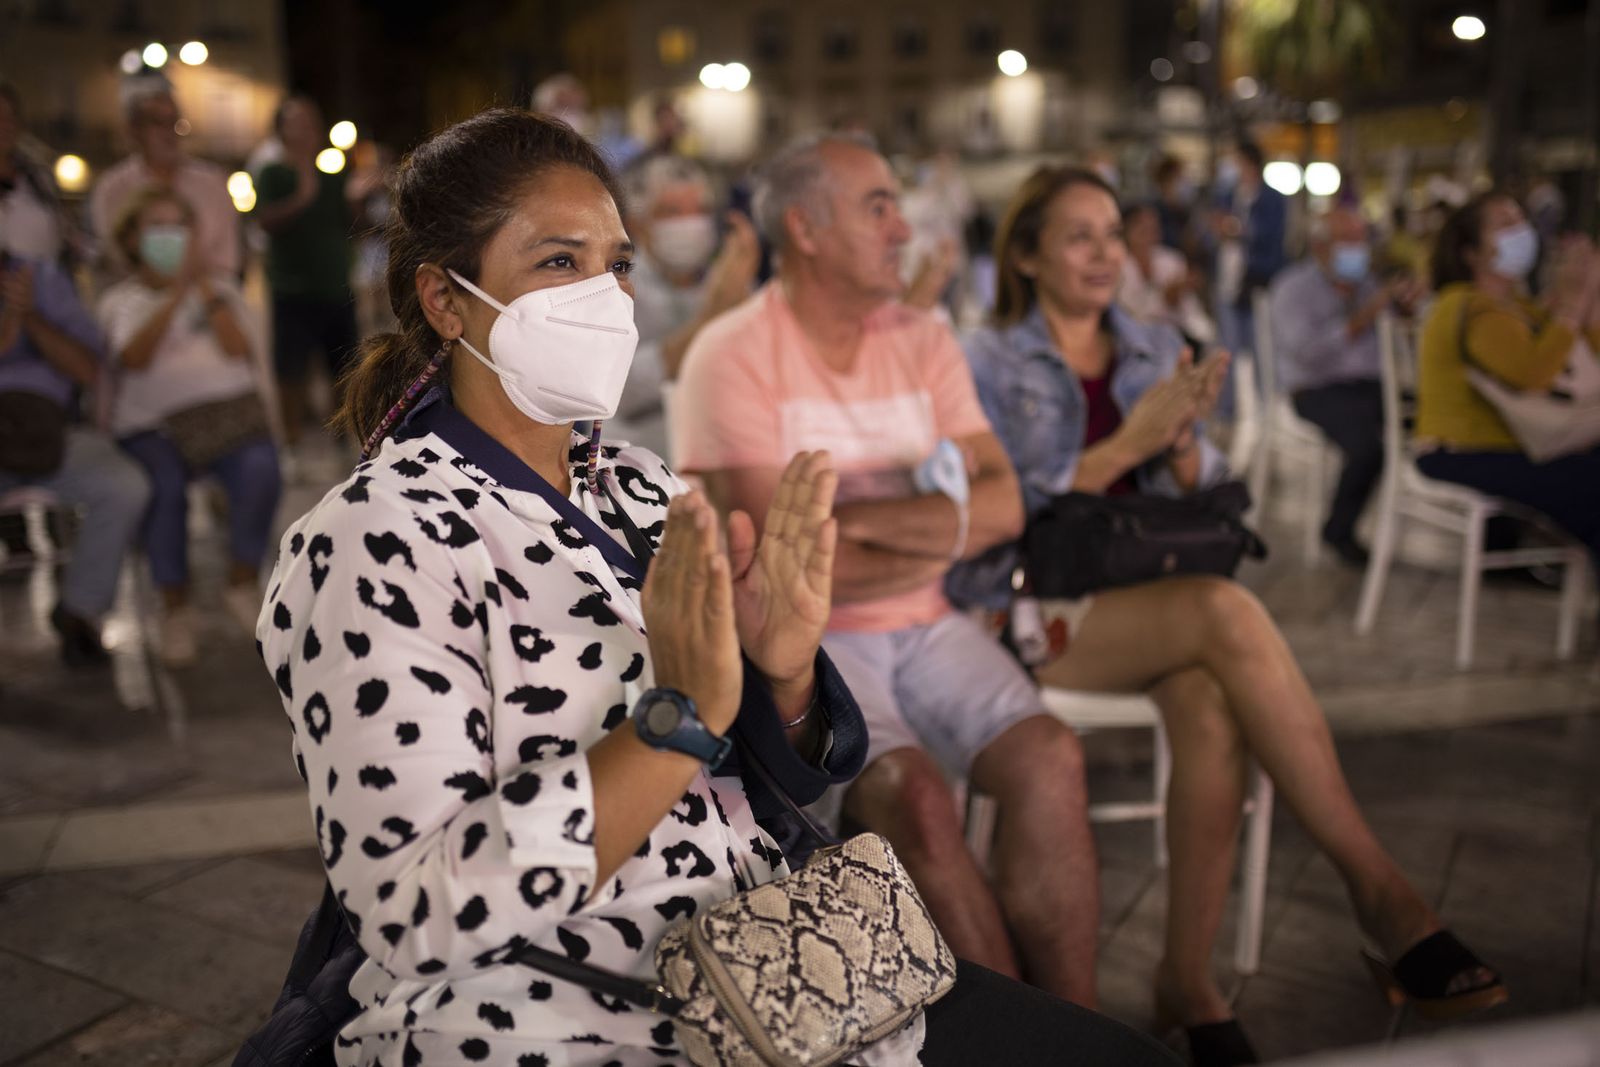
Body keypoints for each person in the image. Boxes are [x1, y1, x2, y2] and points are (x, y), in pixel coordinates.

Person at [255, 107, 1177, 1067]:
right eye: (559, 262)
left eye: (617, 263)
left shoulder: (640, 487)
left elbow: (771, 781)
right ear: (447, 300)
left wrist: (781, 674)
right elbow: (417, 910)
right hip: (557, 1009)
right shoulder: (373, 541)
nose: (606, 295)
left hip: (777, 958)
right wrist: (673, 721)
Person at [947, 165, 1507, 1066]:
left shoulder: (1151, 340)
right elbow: (994, 504)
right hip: (1028, 605)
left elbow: (1206, 491)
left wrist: (1177, 450)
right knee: (1224, 610)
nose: (1105, 253)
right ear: (1025, 253)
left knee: (1209, 695)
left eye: (1112, 232)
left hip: (1149, 594)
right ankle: (1379, 891)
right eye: (1078, 235)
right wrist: (1127, 442)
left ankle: (1188, 980)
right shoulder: (983, 356)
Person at [673, 132, 1103, 1009]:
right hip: (812, 648)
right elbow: (791, 568)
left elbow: (1006, 506)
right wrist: (951, 521)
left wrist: (865, 529)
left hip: (931, 621)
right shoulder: (735, 350)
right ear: (806, 227)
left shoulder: (922, 337)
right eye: (879, 206)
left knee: (1052, 756)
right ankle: (1026, 1040)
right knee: (913, 794)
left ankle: (1083, 1025)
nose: (904, 227)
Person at [98, 187, 280, 666]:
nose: (168, 236)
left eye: (178, 225)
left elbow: (239, 348)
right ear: (133, 238)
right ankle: (174, 606)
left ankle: (241, 581)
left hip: (223, 422)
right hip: (151, 427)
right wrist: (174, 293)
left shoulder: (218, 289)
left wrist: (202, 289)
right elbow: (134, 358)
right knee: (164, 488)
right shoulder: (122, 300)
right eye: (156, 226)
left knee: (263, 467)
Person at [1415, 191, 1600, 581]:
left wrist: (1586, 300)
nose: (1522, 231)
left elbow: (1587, 356)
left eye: (1521, 219)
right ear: (1471, 252)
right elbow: (1532, 373)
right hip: (1461, 450)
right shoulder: (1468, 305)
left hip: (1508, 445)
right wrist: (1572, 304)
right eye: (1505, 224)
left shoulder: (1516, 305)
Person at [0, 253, 149, 665]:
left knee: (124, 485)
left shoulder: (39, 278)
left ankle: (80, 610)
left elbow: (88, 370)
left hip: (49, 432)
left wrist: (28, 316)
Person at [1269, 207, 1421, 565]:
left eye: (1361, 239)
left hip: (1373, 388)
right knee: (1368, 446)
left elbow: (1402, 344)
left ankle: (1497, 536)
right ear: (1321, 245)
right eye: (1348, 240)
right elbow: (1305, 354)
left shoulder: (1368, 284)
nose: (1358, 248)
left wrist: (1407, 312)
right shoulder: (1293, 288)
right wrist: (1361, 318)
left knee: (1444, 419)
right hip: (1317, 391)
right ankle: (1339, 530)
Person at [614, 153, 760, 457]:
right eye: (671, 212)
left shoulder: (731, 281)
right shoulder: (616, 286)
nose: (688, 223)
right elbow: (620, 389)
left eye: (700, 211)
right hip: (639, 469)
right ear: (636, 225)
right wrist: (711, 319)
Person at [254, 95, 368, 445]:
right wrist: (301, 197)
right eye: (296, 123)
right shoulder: (272, 173)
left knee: (344, 369)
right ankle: (291, 444)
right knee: (291, 372)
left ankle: (341, 439)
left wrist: (358, 198)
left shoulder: (333, 174)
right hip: (292, 290)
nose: (305, 130)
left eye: (311, 122)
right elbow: (264, 221)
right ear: (281, 131)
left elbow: (354, 226)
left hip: (336, 287)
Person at [89, 80, 239, 280]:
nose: (169, 133)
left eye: (174, 123)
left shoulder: (212, 183)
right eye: (157, 123)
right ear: (134, 130)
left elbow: (227, 257)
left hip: (207, 294)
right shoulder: (112, 189)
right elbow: (114, 257)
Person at [1209, 140, 1287, 374]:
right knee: (1227, 347)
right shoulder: (1227, 195)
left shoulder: (1272, 199)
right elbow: (1213, 228)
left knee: (1261, 343)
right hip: (1227, 279)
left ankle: (1267, 401)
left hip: (1257, 278)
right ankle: (1230, 404)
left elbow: (1270, 236)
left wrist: (1239, 230)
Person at [0, 84, 85, 265]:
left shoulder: (39, 180)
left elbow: (65, 235)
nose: (4, 125)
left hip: (42, 285)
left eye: (10, 117)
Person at [1119, 201, 1215, 348]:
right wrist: (1166, 296)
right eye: (1142, 227)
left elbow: (1190, 313)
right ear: (1126, 230)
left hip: (1177, 338)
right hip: (1133, 342)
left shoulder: (1172, 260)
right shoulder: (1117, 266)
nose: (1149, 232)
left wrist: (1175, 296)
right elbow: (1129, 312)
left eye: (1153, 227)